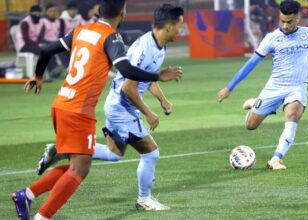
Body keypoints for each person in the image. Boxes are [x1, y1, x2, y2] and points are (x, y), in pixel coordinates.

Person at [11, 0, 182, 219]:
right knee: (82, 169)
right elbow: (126, 71)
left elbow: (46, 50)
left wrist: (38, 75)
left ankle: (27, 195)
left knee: (85, 162)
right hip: (79, 110)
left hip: (61, 103)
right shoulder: (111, 37)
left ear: (99, 11)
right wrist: (159, 76)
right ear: (122, 13)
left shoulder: (81, 30)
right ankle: (41, 216)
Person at [217, 0, 308, 171]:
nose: (285, 25)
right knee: (250, 126)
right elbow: (251, 64)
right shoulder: (271, 38)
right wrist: (230, 87)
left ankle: (276, 158)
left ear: (298, 19)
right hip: (274, 87)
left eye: (289, 22)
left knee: (292, 115)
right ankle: (255, 103)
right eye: (282, 21)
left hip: (297, 87)